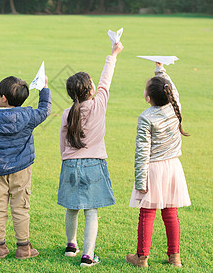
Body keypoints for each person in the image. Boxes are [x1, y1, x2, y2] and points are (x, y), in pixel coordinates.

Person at [57, 42, 124, 267]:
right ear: (91, 90)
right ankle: (88, 255)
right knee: (91, 211)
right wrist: (113, 54)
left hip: (70, 164)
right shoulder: (99, 105)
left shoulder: (68, 112)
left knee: (72, 207)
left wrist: (66, 160)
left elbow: (62, 142)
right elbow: (107, 79)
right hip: (93, 165)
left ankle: (70, 245)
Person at [125, 63, 191, 268]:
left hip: (153, 169)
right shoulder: (174, 106)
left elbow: (142, 152)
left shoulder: (146, 117)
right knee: (170, 213)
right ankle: (175, 258)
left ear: (148, 97)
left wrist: (140, 181)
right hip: (172, 168)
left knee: (147, 212)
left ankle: (142, 258)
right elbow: (173, 89)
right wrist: (161, 71)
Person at [0, 75, 51, 259]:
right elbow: (44, 110)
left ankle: (0, 247)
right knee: (21, 208)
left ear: (3, 98)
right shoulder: (28, 116)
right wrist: (44, 89)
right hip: (21, 170)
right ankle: (22, 247)